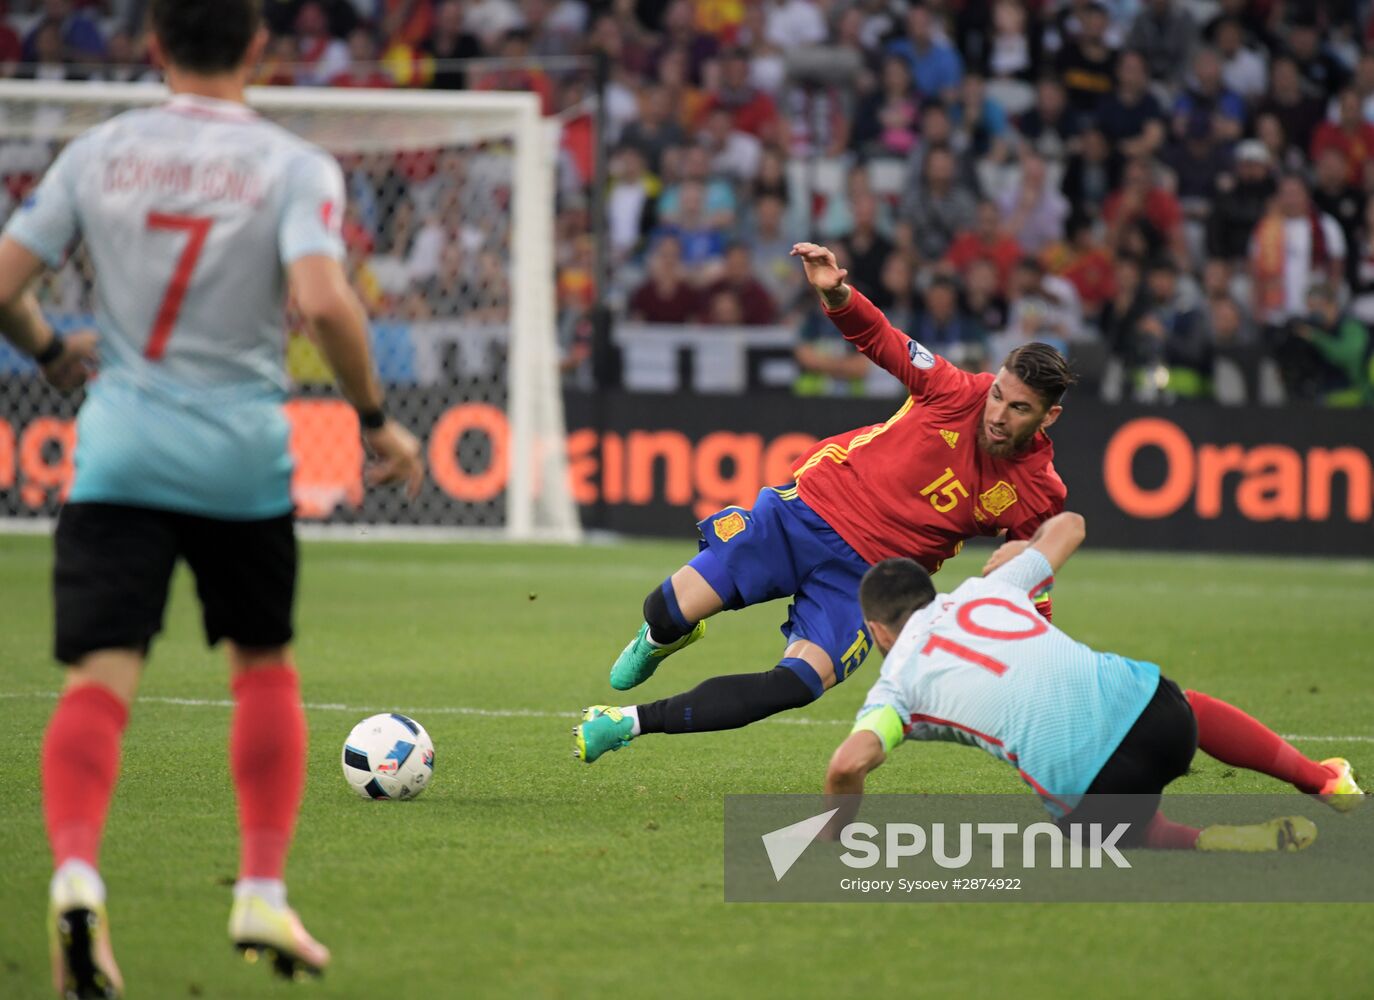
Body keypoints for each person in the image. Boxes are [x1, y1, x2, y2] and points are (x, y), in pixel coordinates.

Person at [0, 2, 425, 995]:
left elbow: (4, 281)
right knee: (262, 666)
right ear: (257, 49)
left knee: (98, 681)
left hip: (120, 451)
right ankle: (261, 889)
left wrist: (51, 348)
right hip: (239, 459)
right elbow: (323, 302)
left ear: (154, 48)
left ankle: (75, 876)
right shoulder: (292, 165)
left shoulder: (96, 155)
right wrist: (374, 418)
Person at [573, 242, 1071, 763]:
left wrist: (1038, 658)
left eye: (1019, 408)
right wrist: (837, 294)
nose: (998, 415)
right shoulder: (956, 391)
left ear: (1049, 417)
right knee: (664, 609)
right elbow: (880, 338)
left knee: (797, 683)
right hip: (804, 515)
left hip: (866, 579)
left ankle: (626, 722)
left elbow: (1032, 581)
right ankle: (663, 638)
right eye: (998, 395)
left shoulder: (1039, 491)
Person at [823, 513, 1364, 851]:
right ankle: (1322, 781)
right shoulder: (986, 589)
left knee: (1109, 833)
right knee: (1190, 705)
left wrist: (837, 833)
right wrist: (1024, 547)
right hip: (1164, 725)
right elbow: (1073, 525)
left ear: (878, 629)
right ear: (929, 594)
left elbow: (847, 765)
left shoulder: (895, 685)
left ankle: (1208, 840)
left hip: (1098, 797)